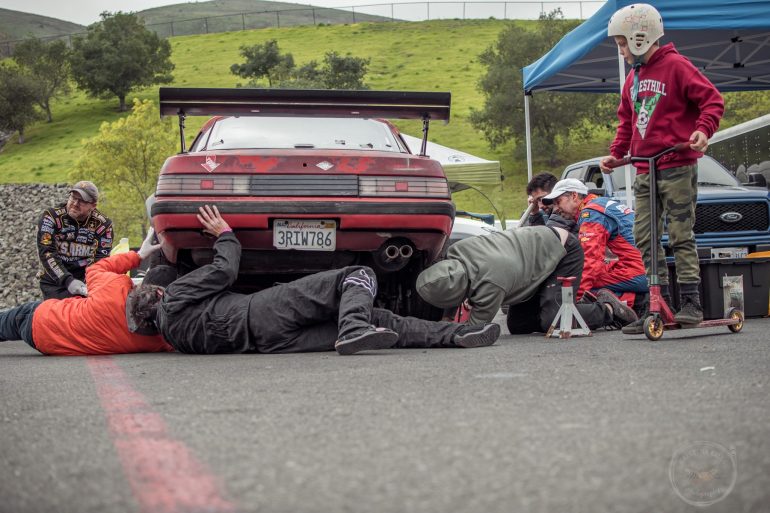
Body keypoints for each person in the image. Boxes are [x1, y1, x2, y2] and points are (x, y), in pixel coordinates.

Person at [127, 205, 500, 355]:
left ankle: (458, 336)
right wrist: (224, 233)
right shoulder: (173, 297)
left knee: (381, 322)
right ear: (157, 293)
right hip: (262, 312)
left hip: (272, 344)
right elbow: (224, 271)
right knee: (357, 276)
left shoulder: (174, 338)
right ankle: (353, 327)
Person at [599, 3, 724, 331]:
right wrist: (616, 153)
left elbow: (712, 100)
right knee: (644, 236)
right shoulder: (633, 79)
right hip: (644, 169)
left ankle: (691, 302)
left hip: (676, 165)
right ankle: (657, 304)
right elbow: (626, 121)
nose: (622, 51)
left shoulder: (677, 66)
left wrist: (702, 129)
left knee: (681, 234)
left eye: (623, 43)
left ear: (640, 37)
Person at [415, 222, 638, 334]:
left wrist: (441, 333)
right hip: (531, 260)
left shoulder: (491, 282)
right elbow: (447, 282)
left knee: (554, 320)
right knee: (518, 325)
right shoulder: (456, 252)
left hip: (562, 251)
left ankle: (606, 308)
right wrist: (444, 322)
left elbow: (474, 330)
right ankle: (571, 307)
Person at [0, 229, 172, 356]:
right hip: (49, 346)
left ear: (145, 285)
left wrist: (139, 256)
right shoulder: (159, 341)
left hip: (40, 318)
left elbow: (96, 268)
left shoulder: (113, 288)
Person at [542, 178, 648, 306]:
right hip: (647, 266)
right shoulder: (601, 203)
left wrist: (576, 297)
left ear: (574, 196)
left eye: (558, 202)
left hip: (639, 271)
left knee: (576, 286)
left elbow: (590, 259)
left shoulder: (591, 213)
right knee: (594, 274)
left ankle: (636, 301)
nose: (556, 209)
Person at [36, 181, 113, 300]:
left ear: (93, 205)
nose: (75, 203)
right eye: (73, 197)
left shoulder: (103, 225)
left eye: (82, 201)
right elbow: (47, 252)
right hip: (54, 282)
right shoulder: (51, 217)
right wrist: (67, 280)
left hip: (84, 283)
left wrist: (90, 283)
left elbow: (101, 259)